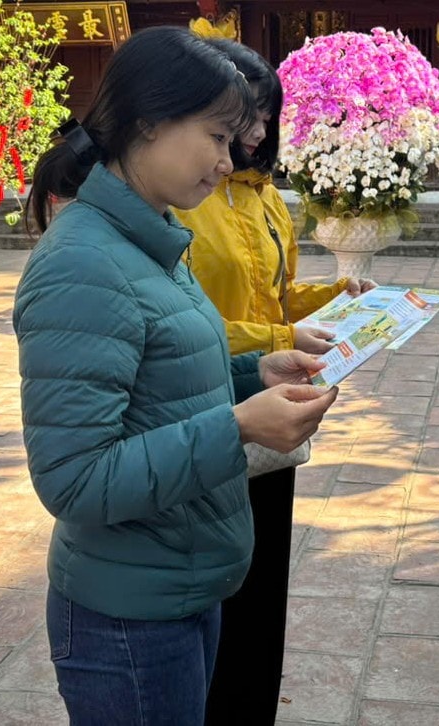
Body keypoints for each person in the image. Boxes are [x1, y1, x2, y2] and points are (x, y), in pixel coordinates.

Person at [13, 26, 339, 725]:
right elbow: (74, 479)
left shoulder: (150, 239)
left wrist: (253, 373)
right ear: (149, 121)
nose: (227, 161)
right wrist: (237, 427)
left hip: (180, 583)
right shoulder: (84, 264)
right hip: (128, 618)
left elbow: (162, 378)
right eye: (217, 136)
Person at [173, 39, 375, 725]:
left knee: (260, 583)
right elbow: (184, 327)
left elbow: (275, 297)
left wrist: (337, 298)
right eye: (242, 117)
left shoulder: (263, 197)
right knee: (213, 586)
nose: (257, 131)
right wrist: (279, 341)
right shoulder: (181, 202)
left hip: (271, 410)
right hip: (210, 402)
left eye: (266, 115)